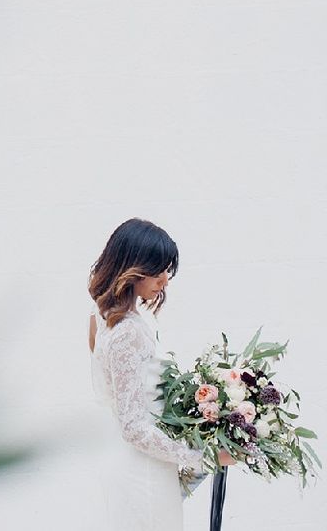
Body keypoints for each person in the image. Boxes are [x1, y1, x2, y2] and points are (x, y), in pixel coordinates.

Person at [87, 218, 235, 530]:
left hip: (138, 465)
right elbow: (134, 427)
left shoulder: (107, 319)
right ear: (133, 266)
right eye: (159, 270)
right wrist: (205, 454)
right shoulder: (126, 330)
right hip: (142, 471)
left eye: (169, 270)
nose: (165, 280)